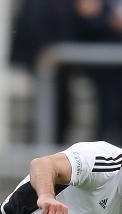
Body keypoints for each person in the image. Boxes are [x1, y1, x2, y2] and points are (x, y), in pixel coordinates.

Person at [74, 0, 122, 147]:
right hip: (108, 73)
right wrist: (112, 24)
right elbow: (87, 27)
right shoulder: (102, 5)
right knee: (107, 121)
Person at [9, 0, 77, 145]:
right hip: (44, 64)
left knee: (60, 113)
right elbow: (32, 24)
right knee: (47, 113)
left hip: (60, 68)